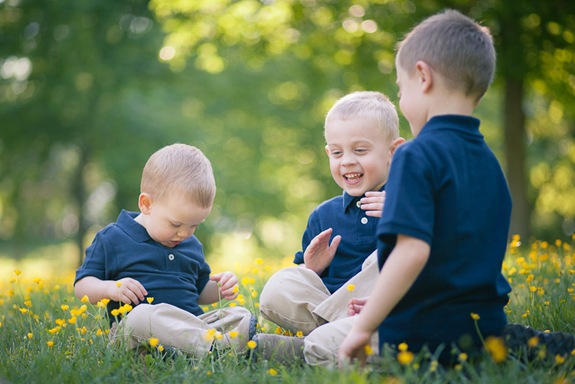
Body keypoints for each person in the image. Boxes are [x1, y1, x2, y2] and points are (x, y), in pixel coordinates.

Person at [339, 10, 512, 366]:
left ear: (423, 76)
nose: (402, 102)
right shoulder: (490, 163)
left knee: (328, 348)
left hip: (423, 339)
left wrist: (364, 327)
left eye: (401, 90)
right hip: (487, 334)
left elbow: (412, 252)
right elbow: (455, 261)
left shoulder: (415, 155)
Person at [255, 91, 405, 364]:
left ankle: (307, 348)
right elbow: (306, 286)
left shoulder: (410, 203)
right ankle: (335, 339)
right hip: (338, 307)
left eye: (360, 150)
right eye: (337, 152)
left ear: (393, 152)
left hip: (388, 309)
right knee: (281, 283)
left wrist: (401, 213)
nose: (346, 160)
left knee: (383, 259)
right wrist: (313, 269)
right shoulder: (324, 215)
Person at [74, 143, 256, 358]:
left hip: (192, 326)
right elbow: (82, 286)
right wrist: (111, 289)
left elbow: (197, 292)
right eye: (176, 224)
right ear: (146, 204)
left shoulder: (191, 245)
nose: (185, 234)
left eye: (194, 225)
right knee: (142, 316)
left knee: (239, 314)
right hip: (139, 338)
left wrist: (219, 289)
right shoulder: (113, 238)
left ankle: (210, 347)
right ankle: (219, 348)